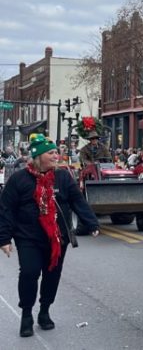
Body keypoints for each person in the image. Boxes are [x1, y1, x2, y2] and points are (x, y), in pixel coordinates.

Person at [0, 134, 100, 337]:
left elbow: (77, 201)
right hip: (27, 236)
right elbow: (6, 209)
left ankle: (44, 311)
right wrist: (4, 238)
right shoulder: (19, 179)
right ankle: (27, 314)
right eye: (51, 153)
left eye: (57, 152)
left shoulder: (62, 177)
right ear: (38, 157)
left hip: (57, 237)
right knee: (29, 272)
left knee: (52, 275)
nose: (57, 156)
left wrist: (91, 223)